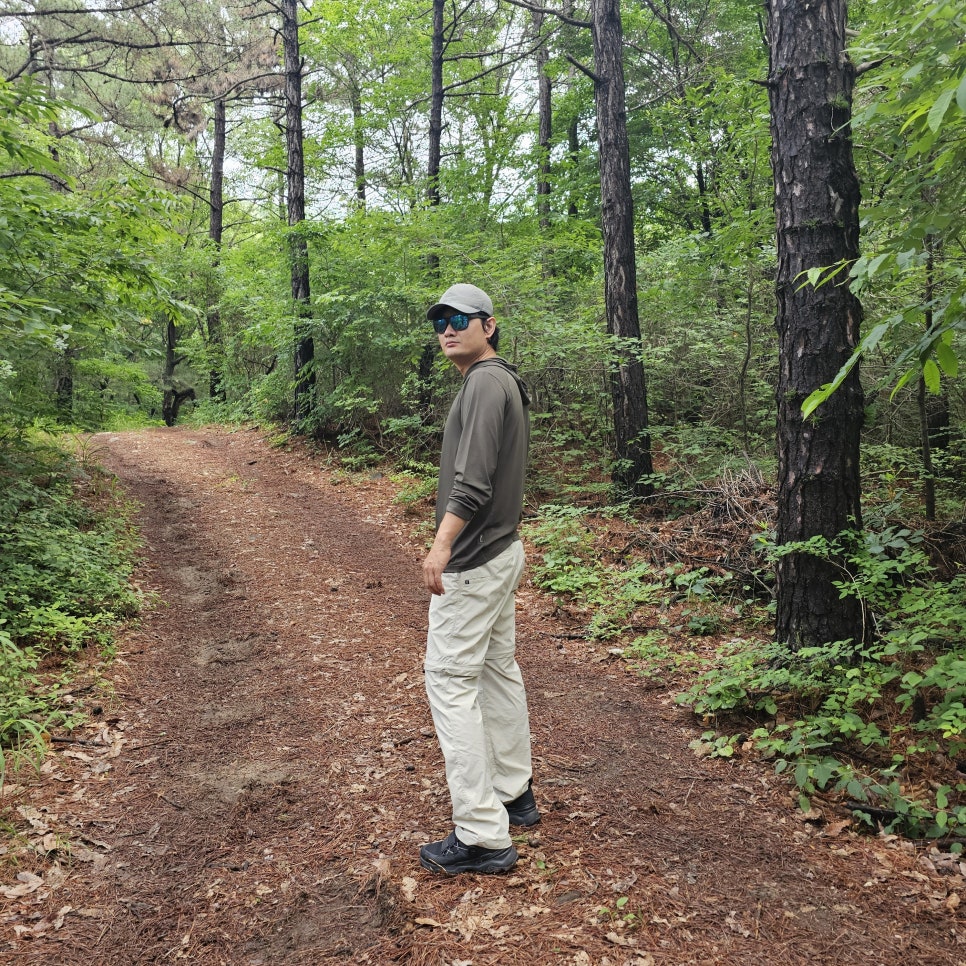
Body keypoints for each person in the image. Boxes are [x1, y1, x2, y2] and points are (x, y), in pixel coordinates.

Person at [418, 282, 540, 876]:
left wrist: (441, 547)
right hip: (501, 551)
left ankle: (482, 833)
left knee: (448, 679)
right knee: (495, 668)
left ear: (488, 325)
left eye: (460, 318)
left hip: (472, 561)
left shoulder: (487, 385)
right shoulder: (496, 382)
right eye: (441, 319)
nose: (448, 328)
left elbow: (473, 481)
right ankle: (514, 793)